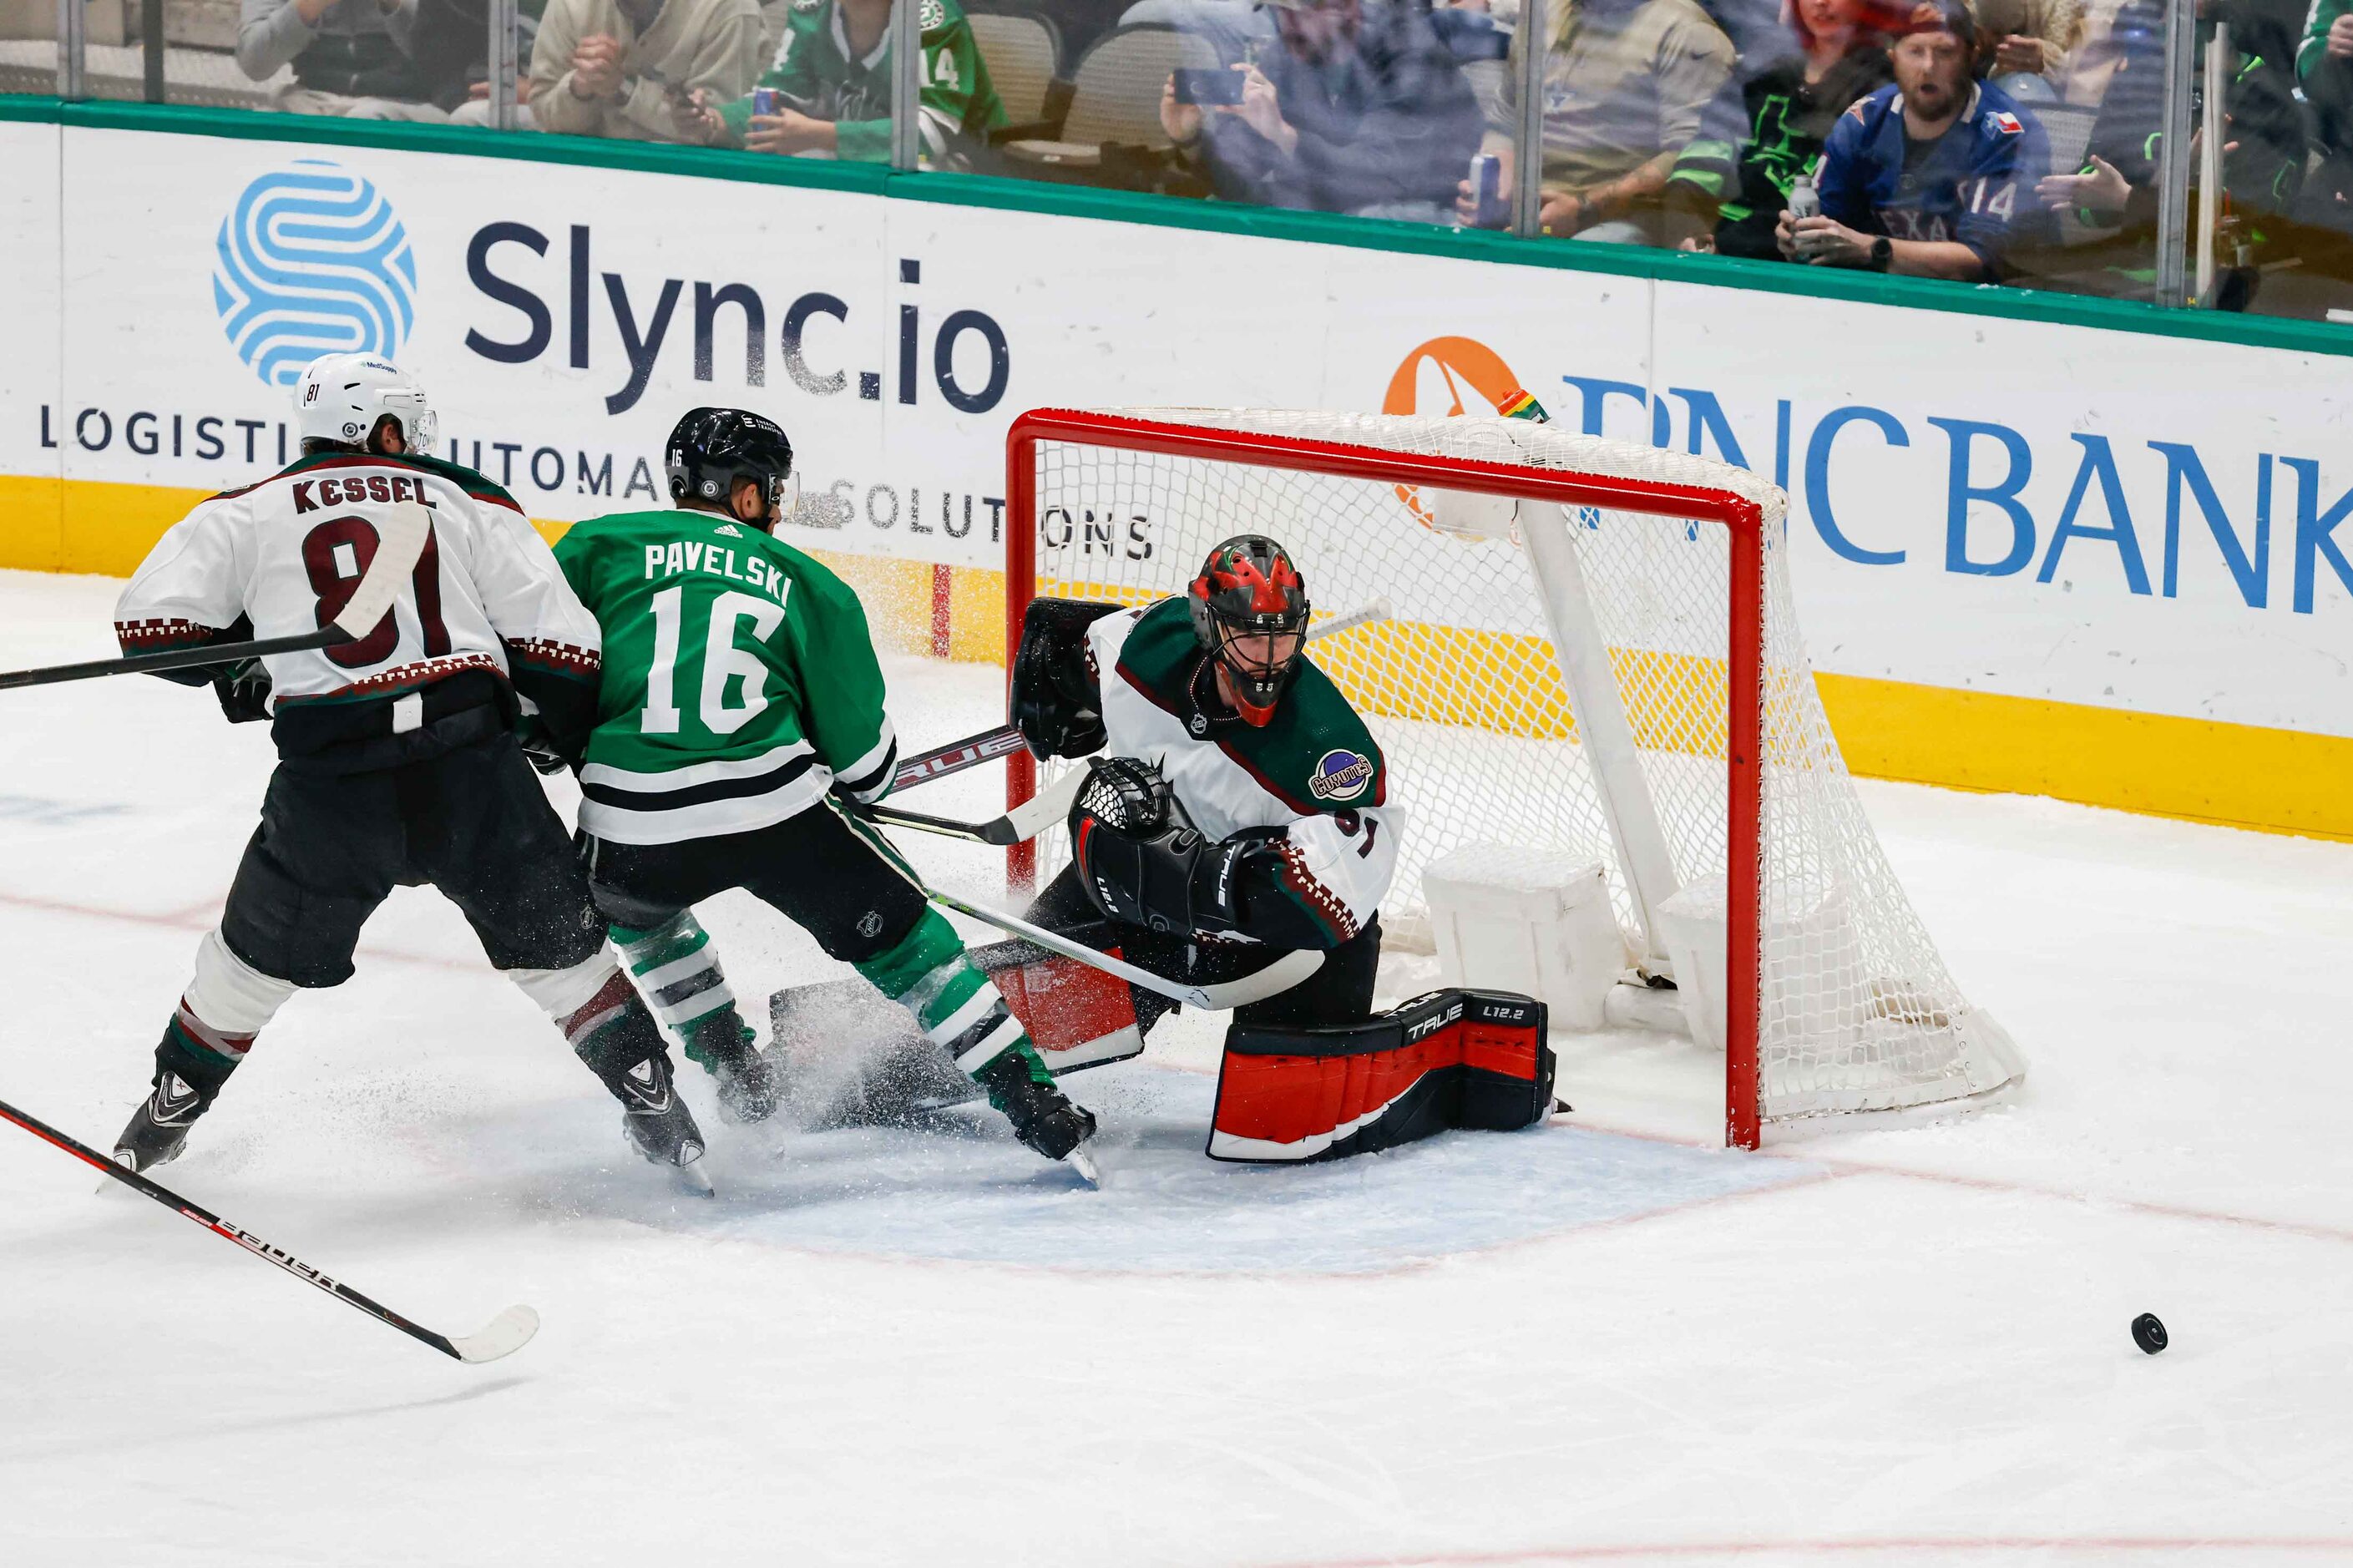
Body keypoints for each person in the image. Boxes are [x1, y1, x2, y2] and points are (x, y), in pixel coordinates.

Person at [109, 354, 714, 1184]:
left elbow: (151, 633)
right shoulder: (465, 497)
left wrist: (241, 666)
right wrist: (543, 728)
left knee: (248, 964)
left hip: (334, 787)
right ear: (386, 430)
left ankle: (168, 1108)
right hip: (471, 770)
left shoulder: (243, 512)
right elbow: (566, 647)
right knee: (563, 957)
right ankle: (654, 1100)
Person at [547, 408, 1100, 1171]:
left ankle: (735, 1078)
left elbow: (544, 679)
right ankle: (1036, 1106)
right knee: (916, 951)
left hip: (631, 825)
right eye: (770, 489)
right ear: (746, 496)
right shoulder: (812, 584)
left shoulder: (592, 547)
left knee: (644, 923)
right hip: (776, 816)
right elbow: (866, 772)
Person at [1778, 0, 2047, 281]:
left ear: (1972, 56)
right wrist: (1802, 237)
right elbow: (1827, 223)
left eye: (1945, 52)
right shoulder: (1864, 120)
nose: (1928, 67)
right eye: (1915, 51)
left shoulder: (2005, 132)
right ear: (1893, 56)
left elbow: (1982, 260)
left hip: (1978, 309)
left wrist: (1872, 249)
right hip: (1876, 297)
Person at [1158, 0, 1485, 220]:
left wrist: (1284, 137)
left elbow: (1380, 179)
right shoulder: (1288, 55)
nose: (1287, 25)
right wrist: (1192, 143)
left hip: (1424, 228)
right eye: (1278, 11)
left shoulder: (1411, 57)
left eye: (1301, 12)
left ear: (1346, 9)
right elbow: (1244, 185)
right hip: (1329, 219)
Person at [1458, 0, 1736, 243]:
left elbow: (1693, 157)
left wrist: (1584, 209)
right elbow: (1506, 119)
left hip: (1623, 218)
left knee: (1579, 263)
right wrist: (1495, 181)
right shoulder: (1543, 9)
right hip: (1526, 211)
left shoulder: (1688, 31)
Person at [1665, 0, 1895, 255]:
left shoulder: (1880, 89)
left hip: (1794, 259)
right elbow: (1699, 165)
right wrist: (1691, 232)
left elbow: (1832, 210)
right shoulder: (1765, 72)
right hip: (1714, 243)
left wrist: (1728, 246)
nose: (1820, 2)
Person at [670, 0, 1007, 168]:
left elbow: (933, 134)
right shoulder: (811, 13)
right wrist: (714, 121)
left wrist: (822, 135)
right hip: (858, 167)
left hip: (967, 172)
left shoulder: (933, 19)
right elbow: (776, 99)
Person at [528, 0, 766, 141]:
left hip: (692, 181)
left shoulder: (729, 8)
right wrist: (580, 88)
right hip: (588, 173)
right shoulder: (571, 5)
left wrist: (624, 89)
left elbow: (728, 135)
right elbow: (545, 114)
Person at [236, 0, 446, 117]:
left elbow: (446, 63)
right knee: (260, 124)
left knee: (365, 120)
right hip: (312, 99)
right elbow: (255, 64)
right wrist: (308, 6)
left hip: (412, 104)